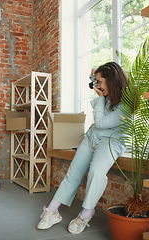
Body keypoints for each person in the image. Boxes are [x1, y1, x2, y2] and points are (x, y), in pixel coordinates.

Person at [37, 62, 128, 234]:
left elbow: (101, 123)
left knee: (96, 171)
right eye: (97, 81)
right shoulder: (108, 95)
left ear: (112, 80)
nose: (98, 86)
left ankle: (86, 213)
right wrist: (96, 80)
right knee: (74, 172)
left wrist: (100, 97)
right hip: (91, 138)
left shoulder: (127, 103)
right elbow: (98, 126)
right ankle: (52, 211)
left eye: (100, 82)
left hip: (111, 142)